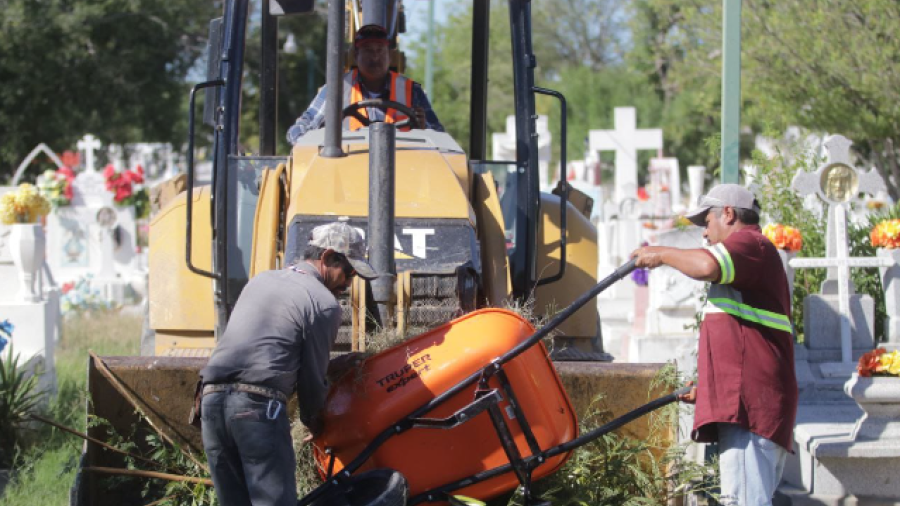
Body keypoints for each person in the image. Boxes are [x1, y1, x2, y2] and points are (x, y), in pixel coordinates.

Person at [631, 184, 797, 506]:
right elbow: (740, 340)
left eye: (707, 222)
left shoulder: (751, 244)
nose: (705, 234)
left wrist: (661, 253)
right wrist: (708, 386)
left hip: (750, 410)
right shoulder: (751, 257)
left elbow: (707, 265)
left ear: (729, 214)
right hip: (747, 405)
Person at [199, 221, 377, 506]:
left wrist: (336, 365)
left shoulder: (261, 280)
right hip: (255, 410)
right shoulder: (323, 302)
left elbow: (266, 351)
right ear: (329, 257)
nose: (348, 283)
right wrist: (316, 423)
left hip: (210, 403)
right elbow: (311, 382)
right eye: (349, 272)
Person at [286, 24, 444, 144]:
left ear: (390, 55)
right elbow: (297, 132)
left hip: (402, 172)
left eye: (380, 50)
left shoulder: (412, 91)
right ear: (355, 55)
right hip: (345, 170)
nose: (375, 57)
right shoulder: (337, 89)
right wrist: (323, 131)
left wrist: (422, 129)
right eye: (368, 50)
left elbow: (439, 138)